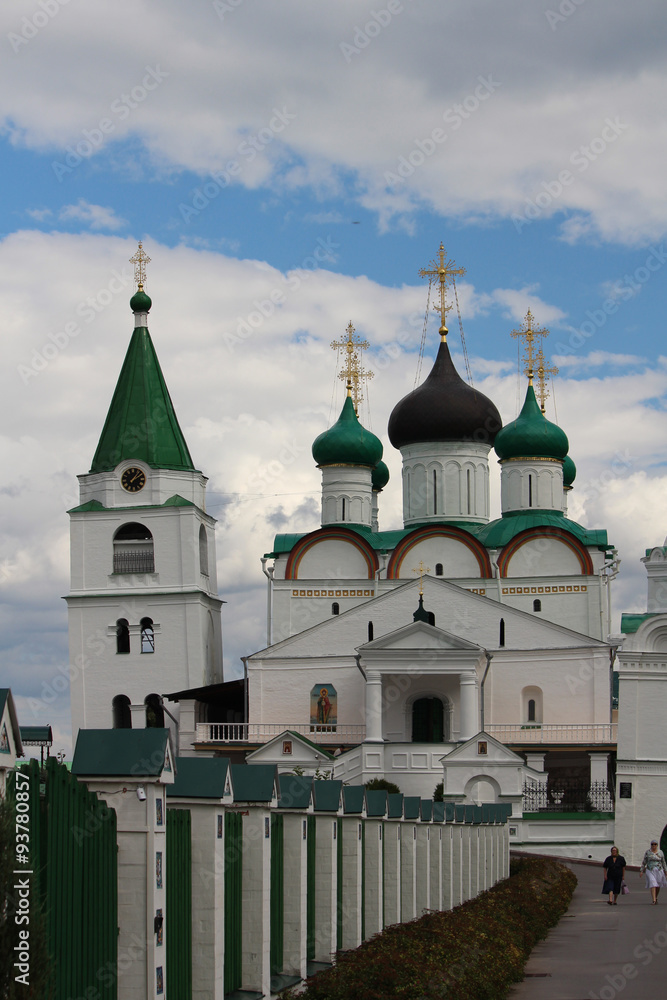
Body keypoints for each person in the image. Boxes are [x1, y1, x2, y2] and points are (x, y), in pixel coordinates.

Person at [639, 840, 667, 904]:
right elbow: (644, 861)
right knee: (653, 883)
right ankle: (654, 900)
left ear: (657, 845)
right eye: (652, 844)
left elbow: (663, 862)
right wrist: (641, 870)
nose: (653, 846)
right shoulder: (648, 852)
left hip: (659, 870)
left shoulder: (660, 852)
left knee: (658, 885)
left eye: (655, 844)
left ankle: (656, 897)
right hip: (650, 869)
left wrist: (665, 870)